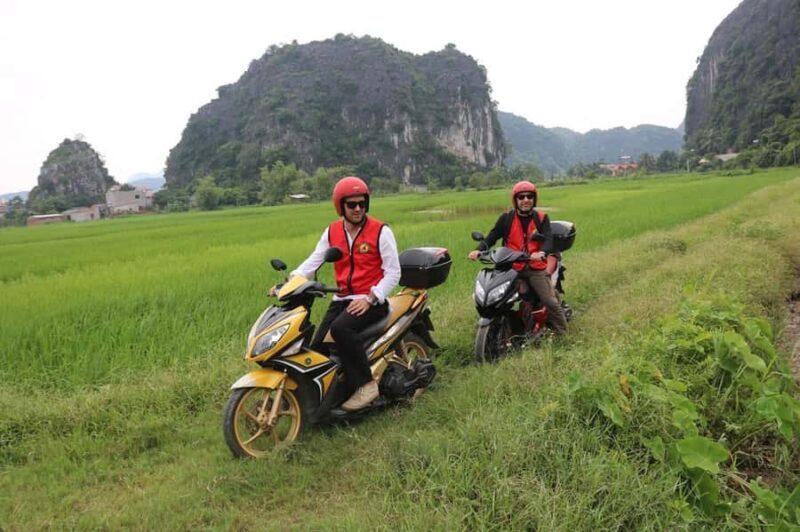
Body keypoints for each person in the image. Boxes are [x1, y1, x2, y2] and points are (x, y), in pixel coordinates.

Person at [283, 176, 401, 411]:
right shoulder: (332, 232)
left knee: (340, 329)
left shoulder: (380, 231)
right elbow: (312, 262)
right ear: (340, 206)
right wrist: (289, 283)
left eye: (362, 203)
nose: (358, 209)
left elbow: (393, 272)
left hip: (371, 301)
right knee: (316, 348)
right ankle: (325, 395)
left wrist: (371, 298)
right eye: (352, 204)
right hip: (342, 299)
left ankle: (367, 385)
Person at [467, 180, 568, 335]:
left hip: (533, 267)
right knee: (493, 297)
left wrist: (541, 253)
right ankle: (497, 326)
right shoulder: (506, 219)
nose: (526, 200)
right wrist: (478, 251)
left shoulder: (541, 218)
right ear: (515, 200)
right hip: (510, 266)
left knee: (550, 301)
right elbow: (491, 237)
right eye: (521, 197)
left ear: (534, 199)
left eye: (529, 196)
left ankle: (563, 333)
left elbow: (548, 240)